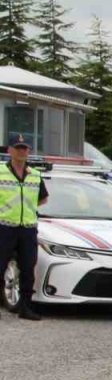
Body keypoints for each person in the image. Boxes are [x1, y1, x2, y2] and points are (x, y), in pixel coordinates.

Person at [0, 133, 49, 321]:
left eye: (25, 148)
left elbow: (43, 198)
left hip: (27, 228)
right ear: (10, 150)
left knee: (28, 268)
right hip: (4, 227)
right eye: (18, 148)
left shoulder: (35, 175)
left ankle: (25, 308)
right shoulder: (1, 171)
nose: (22, 151)